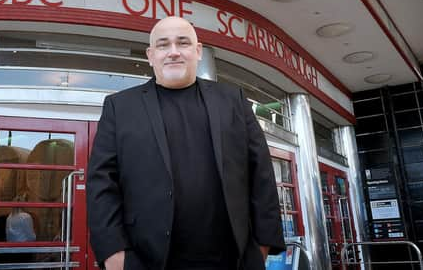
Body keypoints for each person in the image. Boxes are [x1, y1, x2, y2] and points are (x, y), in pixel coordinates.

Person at [87, 16, 285, 270]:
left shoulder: (233, 100)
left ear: (197, 51)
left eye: (182, 43)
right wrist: (113, 254)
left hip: (232, 260)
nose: (173, 52)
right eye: (163, 45)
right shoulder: (120, 107)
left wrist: (262, 246)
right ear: (150, 55)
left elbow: (262, 174)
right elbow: (101, 182)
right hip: (146, 260)